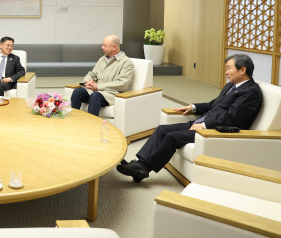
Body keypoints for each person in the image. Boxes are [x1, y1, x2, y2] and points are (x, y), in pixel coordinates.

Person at [117, 54, 263, 182]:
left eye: (229, 68)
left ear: (242, 69)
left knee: (172, 137)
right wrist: (193, 107)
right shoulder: (232, 86)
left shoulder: (251, 92)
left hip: (215, 131)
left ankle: (143, 168)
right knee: (162, 129)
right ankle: (140, 163)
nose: (226, 72)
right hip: (201, 123)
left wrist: (205, 126)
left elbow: (232, 118)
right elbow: (214, 104)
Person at [71, 35, 133, 116]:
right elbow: (92, 74)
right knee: (78, 92)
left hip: (112, 94)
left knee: (95, 96)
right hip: (96, 91)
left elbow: (122, 84)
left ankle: (91, 127)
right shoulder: (102, 59)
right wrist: (89, 82)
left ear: (113, 47)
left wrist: (97, 86)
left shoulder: (126, 62)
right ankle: (73, 122)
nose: (102, 47)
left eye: (105, 45)